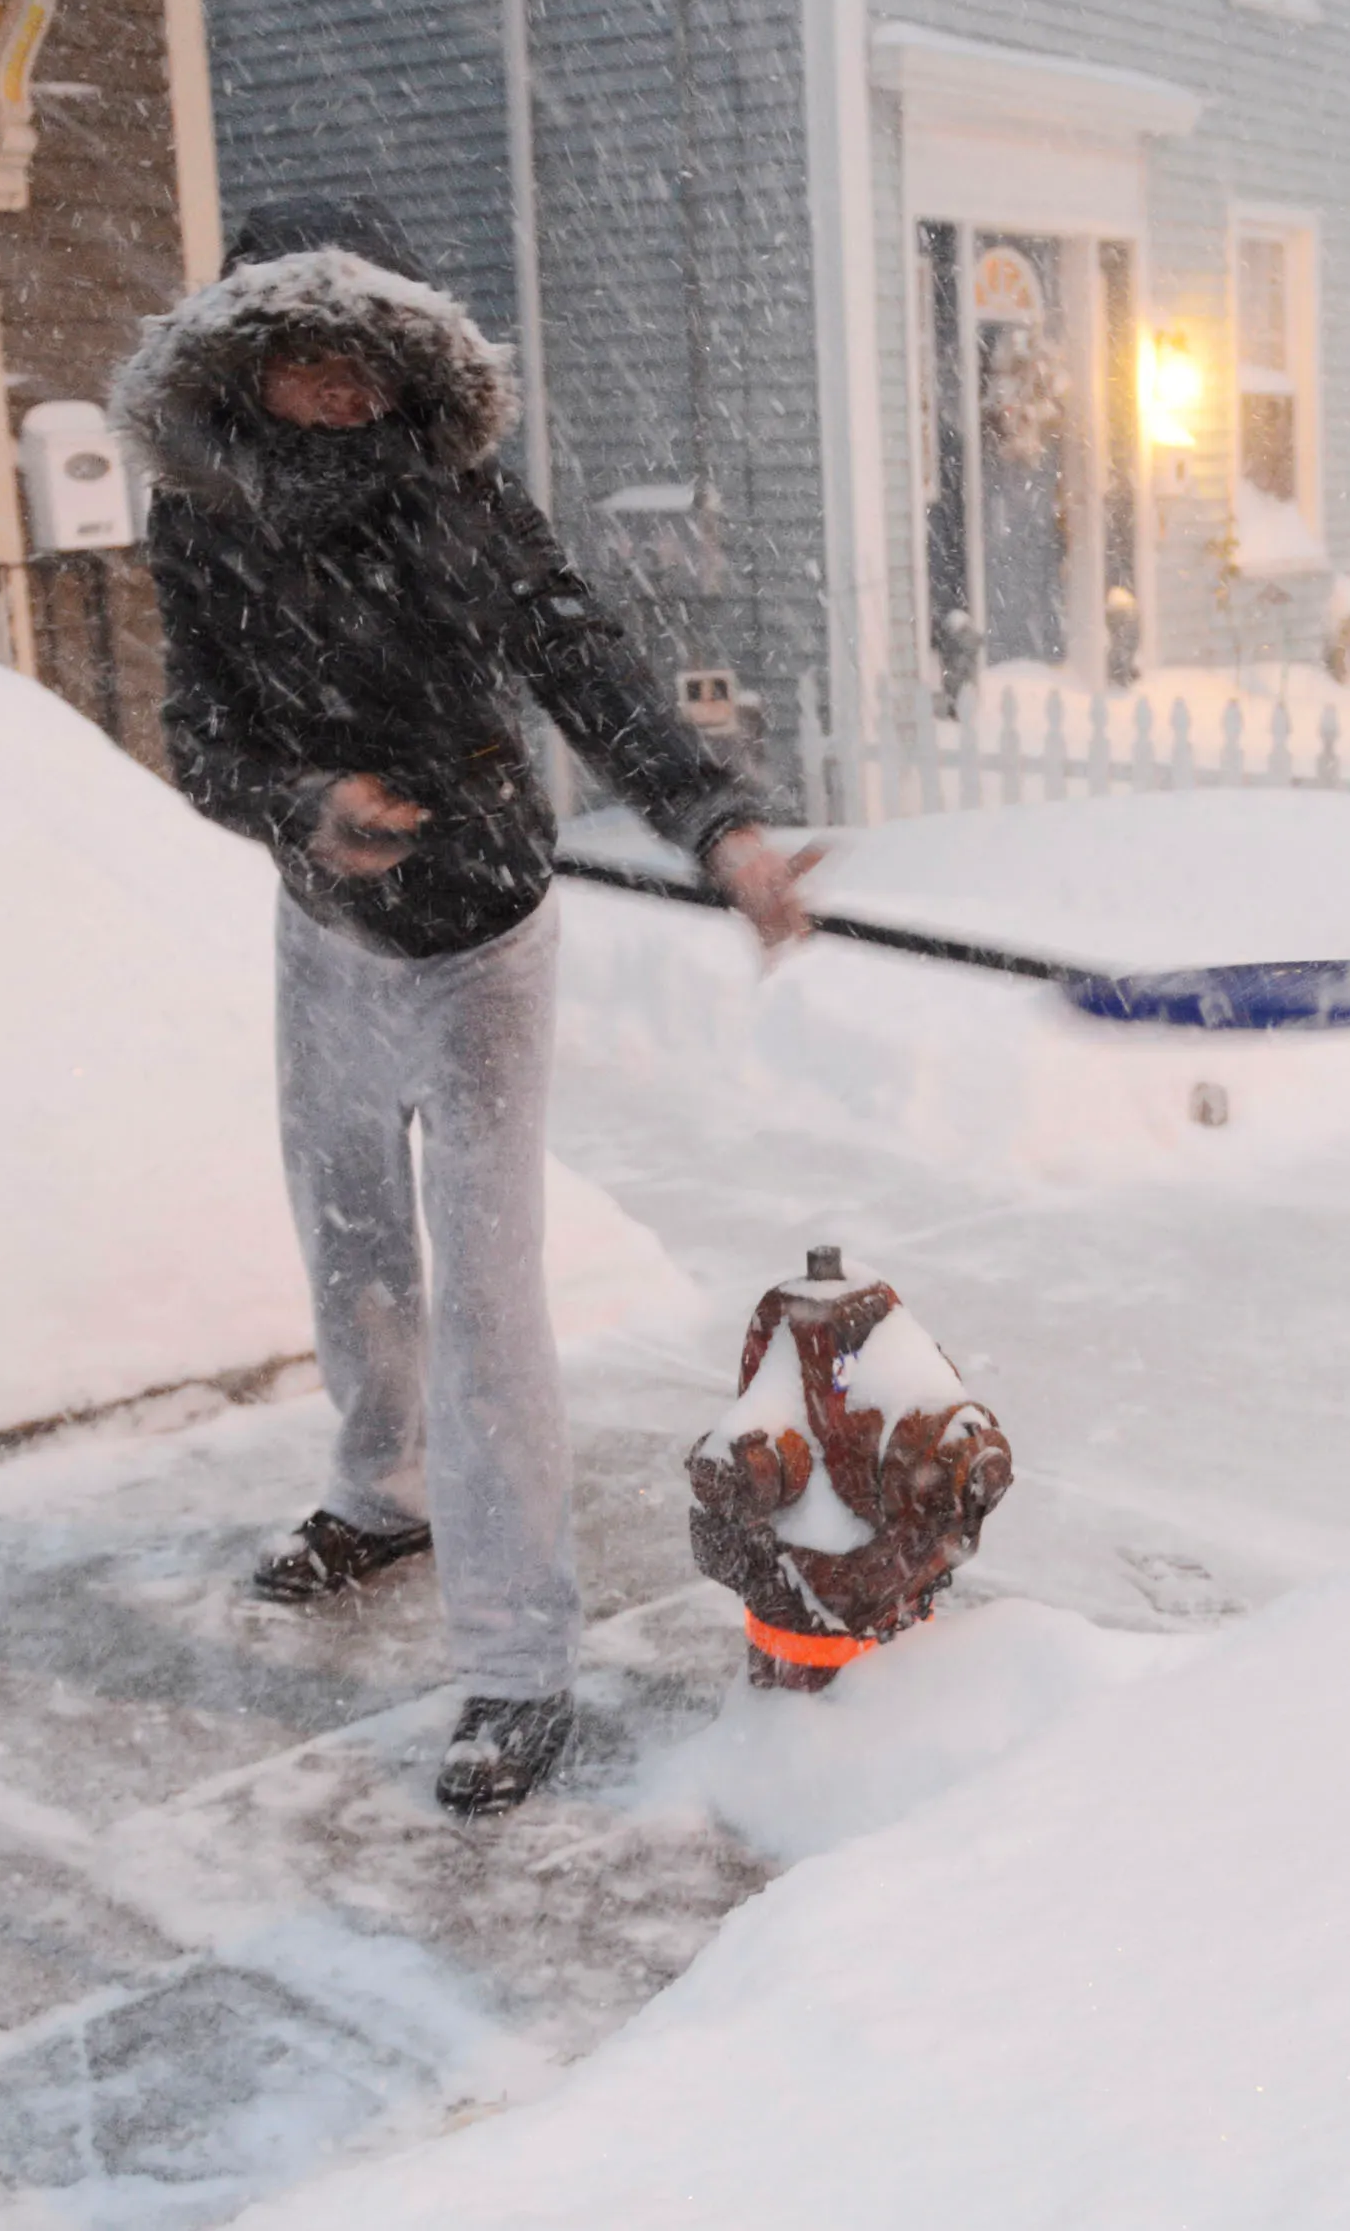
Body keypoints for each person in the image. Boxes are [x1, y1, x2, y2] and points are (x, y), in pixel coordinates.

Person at [113, 200, 815, 1817]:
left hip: (482, 935)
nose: (348, 385)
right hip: (327, 933)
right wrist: (304, 806)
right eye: (314, 356)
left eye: (373, 354)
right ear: (249, 360)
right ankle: (383, 1494)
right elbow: (200, 735)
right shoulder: (203, 519)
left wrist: (718, 827)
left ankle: (516, 1663)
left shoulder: (460, 502)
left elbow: (586, 664)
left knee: (487, 1298)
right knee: (351, 1238)